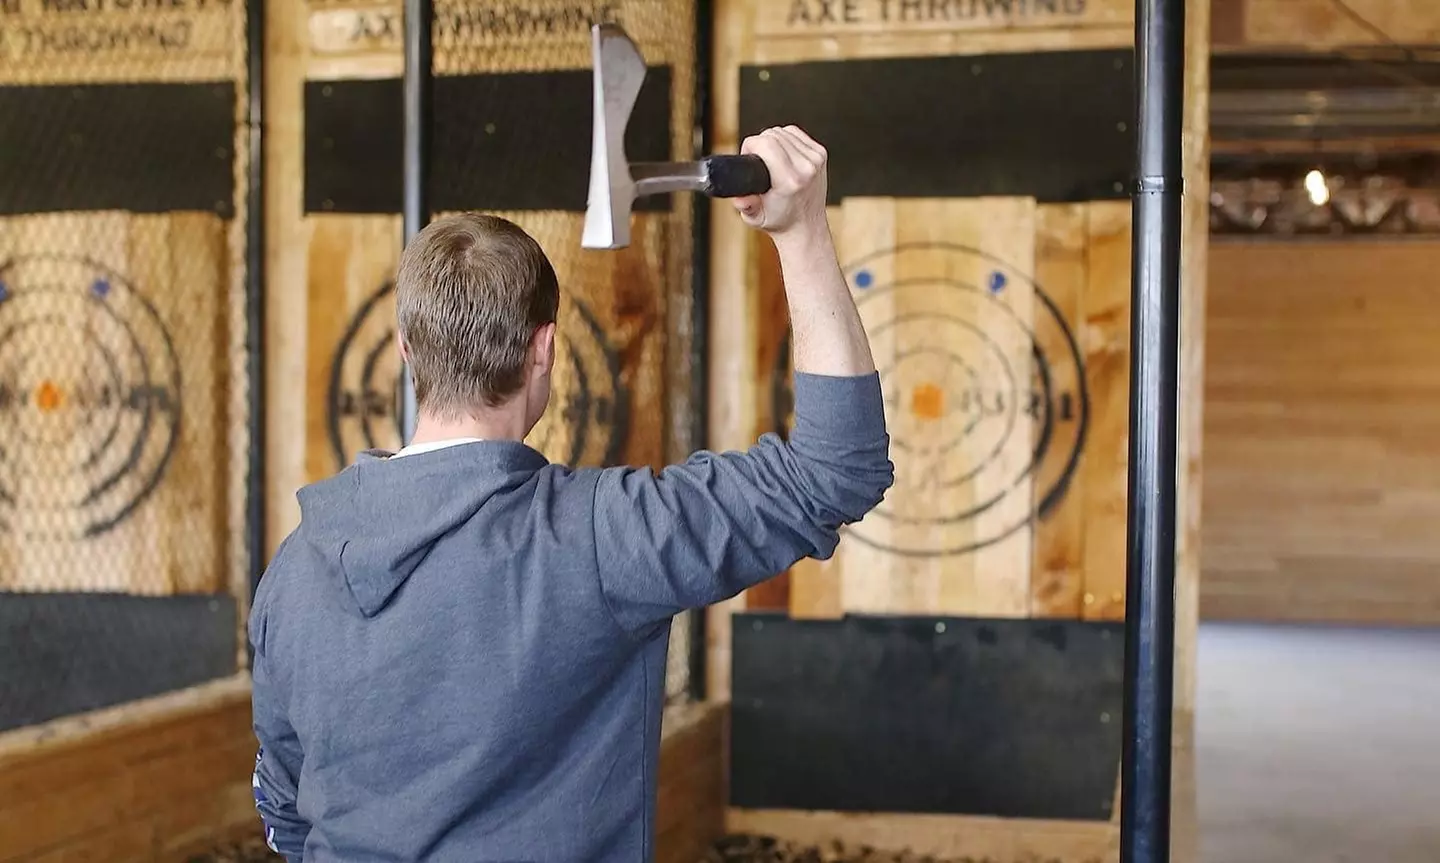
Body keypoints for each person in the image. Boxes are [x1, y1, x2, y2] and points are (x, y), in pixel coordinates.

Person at [248, 125, 893, 862]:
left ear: (404, 350)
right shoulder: (601, 539)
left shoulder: (293, 571)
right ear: (545, 350)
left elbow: (285, 801)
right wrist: (801, 230)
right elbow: (835, 469)